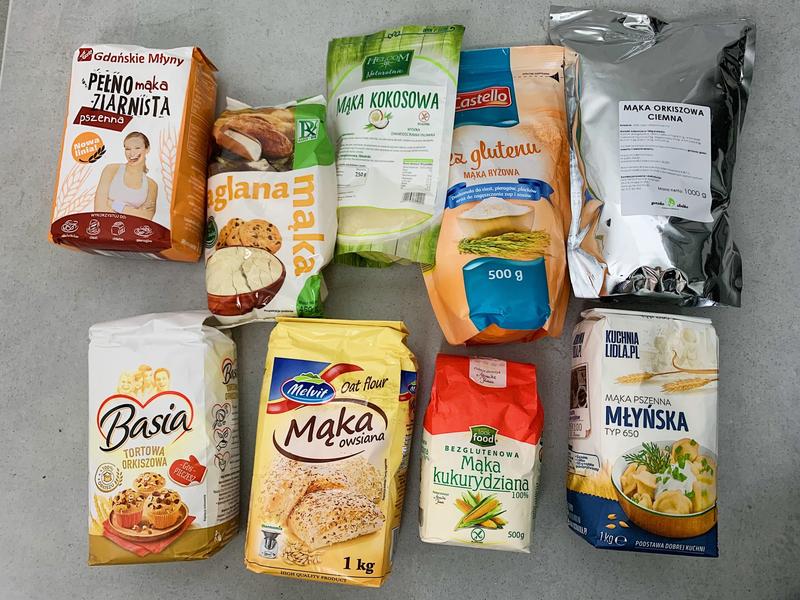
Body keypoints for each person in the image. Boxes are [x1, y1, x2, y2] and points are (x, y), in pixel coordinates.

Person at [94, 131, 158, 219]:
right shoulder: (111, 170)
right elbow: (99, 209)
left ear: (147, 149)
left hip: (133, 227)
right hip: (105, 224)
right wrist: (134, 212)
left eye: (137, 148)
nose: (132, 153)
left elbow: (146, 218)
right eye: (128, 149)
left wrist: (113, 204)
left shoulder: (151, 185)